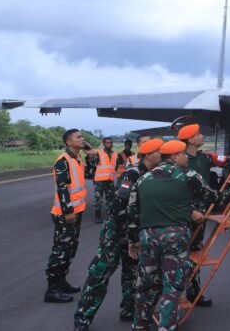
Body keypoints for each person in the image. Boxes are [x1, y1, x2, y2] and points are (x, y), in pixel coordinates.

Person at [126, 140, 230, 331]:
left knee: (146, 284)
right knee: (172, 286)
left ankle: (140, 325)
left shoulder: (143, 179)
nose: (186, 157)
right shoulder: (188, 175)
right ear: (173, 157)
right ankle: (167, 327)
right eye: (183, 154)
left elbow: (132, 212)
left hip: (148, 237)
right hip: (175, 236)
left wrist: (133, 240)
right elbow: (211, 196)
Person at [73, 137, 164, 330]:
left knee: (132, 274)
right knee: (99, 275)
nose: (162, 155)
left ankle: (128, 310)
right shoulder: (132, 174)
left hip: (134, 234)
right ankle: (82, 318)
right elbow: (119, 207)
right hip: (116, 233)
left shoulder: (153, 173)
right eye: (159, 151)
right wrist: (127, 236)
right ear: (149, 154)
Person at [45, 128, 90, 304]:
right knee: (61, 250)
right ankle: (52, 289)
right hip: (66, 214)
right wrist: (68, 211)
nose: (82, 139)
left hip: (76, 212)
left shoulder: (77, 158)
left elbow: (90, 174)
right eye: (78, 137)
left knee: (70, 249)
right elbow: (62, 187)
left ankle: (62, 282)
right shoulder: (62, 161)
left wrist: (91, 154)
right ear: (68, 142)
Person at [179, 123, 215, 308]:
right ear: (191, 139)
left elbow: (227, 162)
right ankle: (172, 296)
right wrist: (189, 211)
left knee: (195, 252)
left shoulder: (204, 158)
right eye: (199, 134)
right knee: (178, 254)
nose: (202, 136)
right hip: (185, 214)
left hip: (202, 211)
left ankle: (194, 292)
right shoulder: (181, 162)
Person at [90, 137, 117, 223]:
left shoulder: (115, 154)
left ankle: (110, 215)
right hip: (100, 180)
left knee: (110, 198)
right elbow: (93, 165)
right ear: (104, 144)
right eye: (107, 143)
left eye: (111, 142)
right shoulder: (99, 153)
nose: (110, 144)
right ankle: (97, 217)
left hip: (110, 180)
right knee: (98, 199)